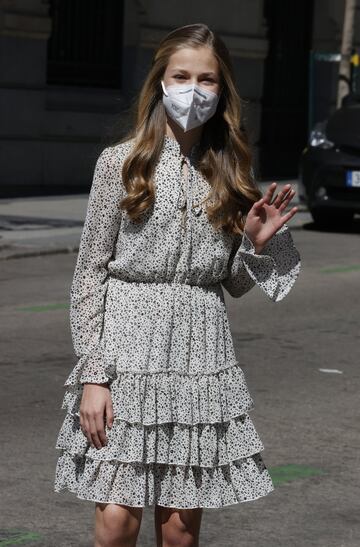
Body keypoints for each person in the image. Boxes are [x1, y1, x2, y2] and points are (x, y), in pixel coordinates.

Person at [54, 22, 301, 547]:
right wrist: (93, 375)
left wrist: (255, 245)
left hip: (199, 350)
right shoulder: (120, 163)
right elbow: (89, 272)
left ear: (222, 89)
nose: (194, 89)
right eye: (181, 75)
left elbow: (230, 285)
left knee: (180, 532)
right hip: (125, 351)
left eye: (207, 79)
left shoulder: (231, 170)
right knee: (118, 522)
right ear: (160, 82)